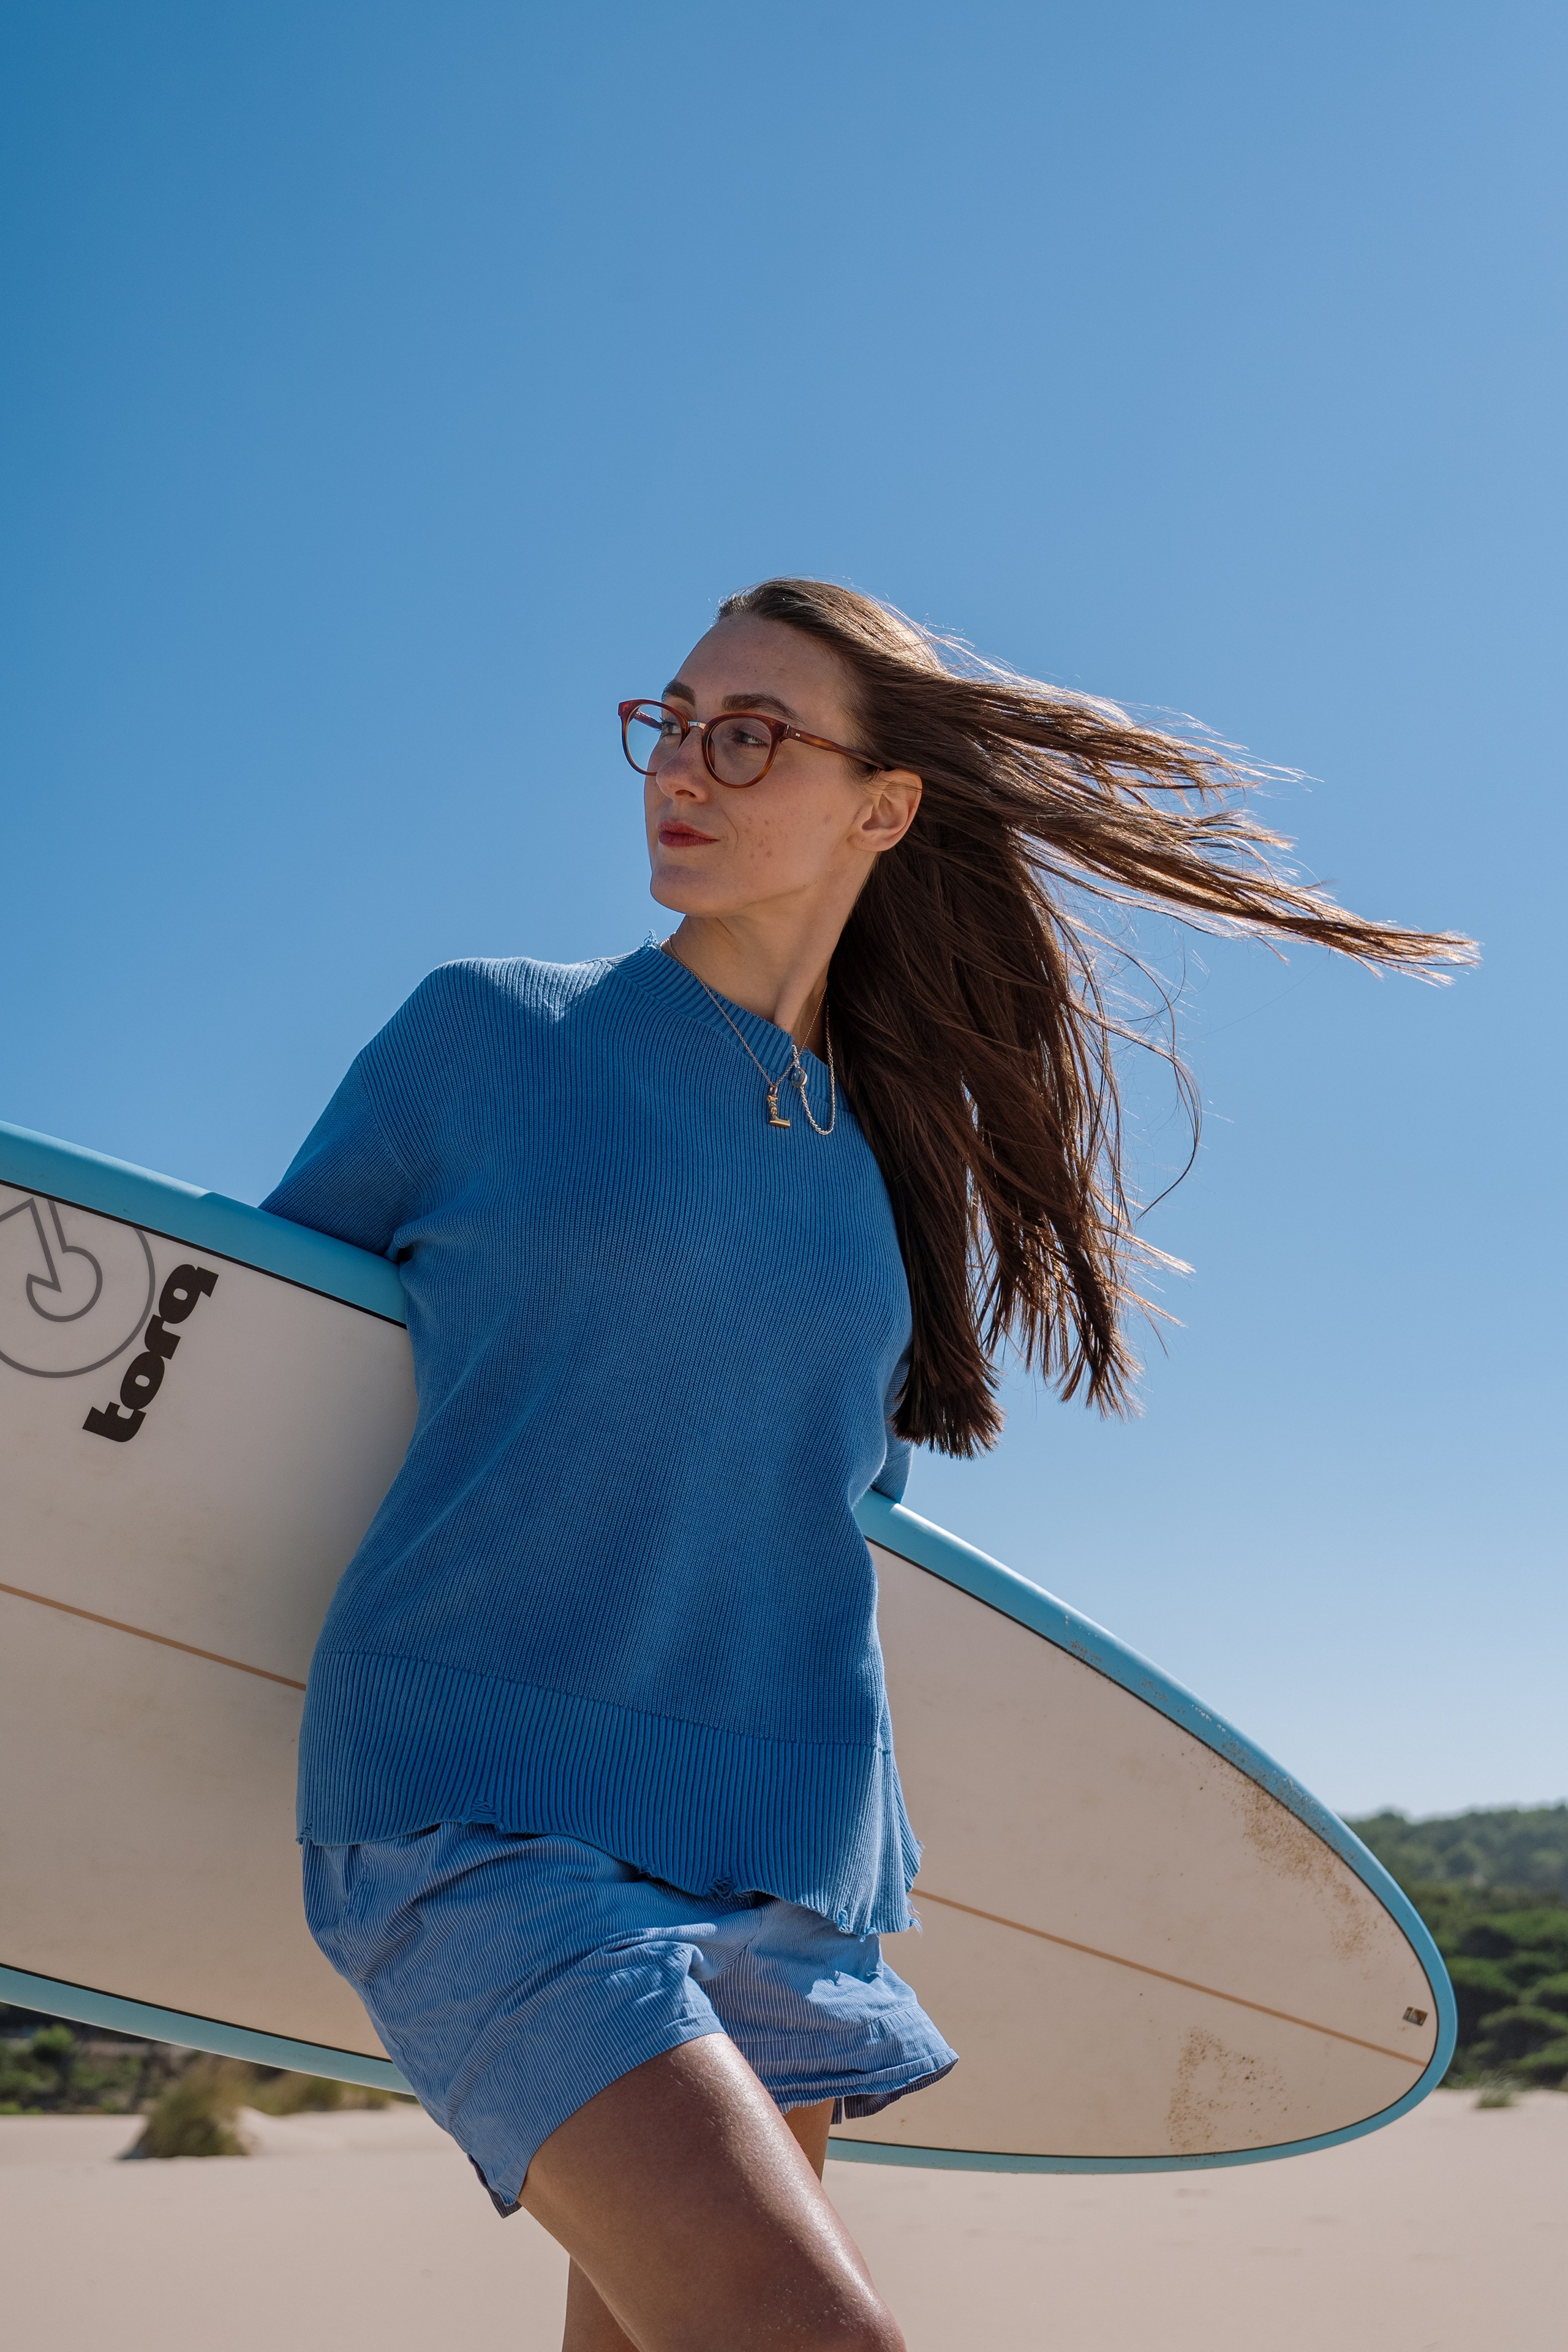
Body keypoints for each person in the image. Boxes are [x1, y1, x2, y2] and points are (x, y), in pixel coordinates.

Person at [262, 578, 1470, 2351]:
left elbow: (829, 1510)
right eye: (669, 723)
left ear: (882, 807)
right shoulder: (491, 1037)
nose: (686, 766)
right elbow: (244, 1376)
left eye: (749, 734)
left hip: (781, 1856)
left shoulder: (871, 1179)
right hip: (485, 1806)